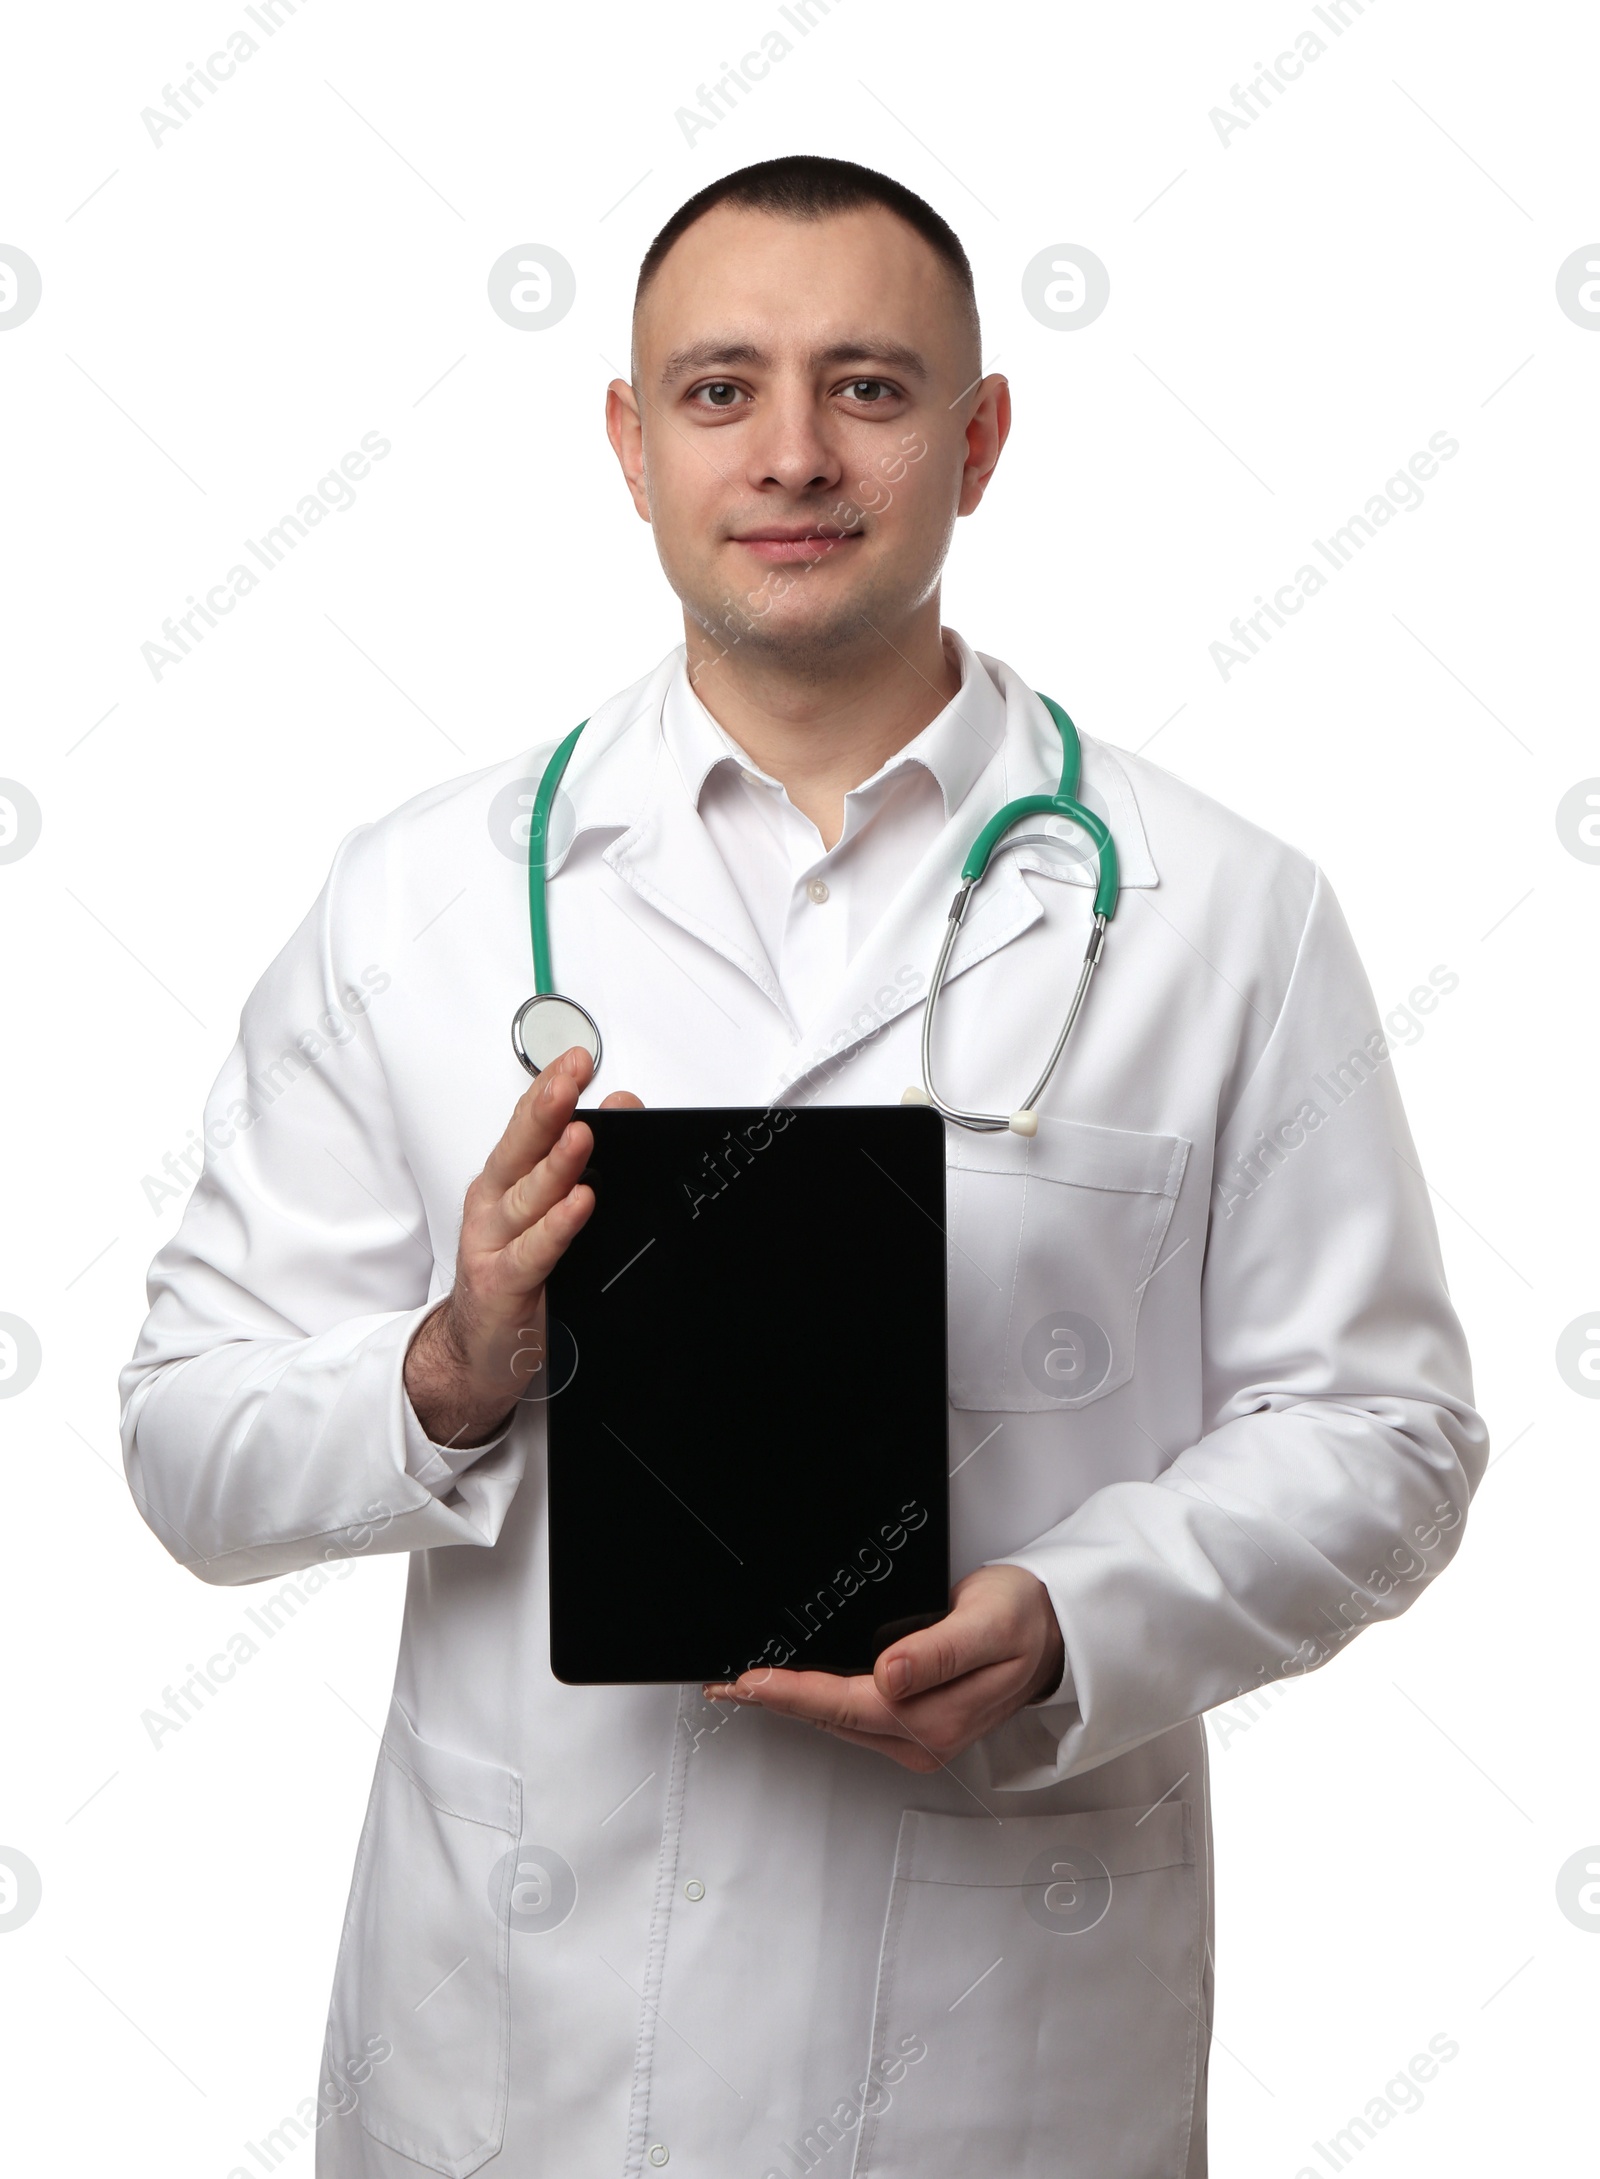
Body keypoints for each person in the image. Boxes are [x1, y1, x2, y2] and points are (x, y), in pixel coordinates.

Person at [120, 156, 1486, 2179]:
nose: (788, 454)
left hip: (996, 2045)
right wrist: (445, 1372)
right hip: (526, 2050)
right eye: (715, 388)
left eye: (863, 387)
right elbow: (183, 1446)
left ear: (975, 436)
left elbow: (1384, 1432)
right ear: (626, 442)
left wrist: (1079, 1619)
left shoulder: (1221, 911)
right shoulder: (412, 903)